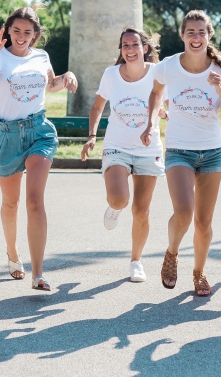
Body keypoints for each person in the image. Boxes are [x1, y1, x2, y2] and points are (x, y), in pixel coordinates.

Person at [0, 6, 78, 292]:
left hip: (39, 131)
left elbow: (51, 84)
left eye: (27, 32)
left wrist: (65, 77)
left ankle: (38, 273)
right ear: (8, 32)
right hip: (7, 135)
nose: (21, 36)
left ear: (35, 35)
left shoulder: (41, 56)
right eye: (16, 30)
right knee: (10, 203)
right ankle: (13, 253)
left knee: (34, 201)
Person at [142, 10, 221, 297]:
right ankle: (172, 253)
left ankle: (199, 272)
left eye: (202, 33)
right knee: (184, 213)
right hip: (179, 149)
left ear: (209, 36)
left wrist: (220, 89)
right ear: (182, 35)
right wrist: (150, 122)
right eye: (191, 33)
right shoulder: (169, 66)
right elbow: (155, 93)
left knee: (204, 222)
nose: (197, 38)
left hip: (211, 152)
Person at [81, 27, 166, 283]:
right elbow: (97, 106)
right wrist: (92, 136)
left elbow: (167, 104)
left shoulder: (157, 74)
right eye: (125, 45)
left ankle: (136, 261)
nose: (130, 50)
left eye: (135, 45)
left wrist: (164, 114)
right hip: (117, 145)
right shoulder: (111, 75)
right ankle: (115, 207)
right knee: (119, 199)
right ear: (121, 50)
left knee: (141, 211)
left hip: (149, 148)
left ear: (145, 49)